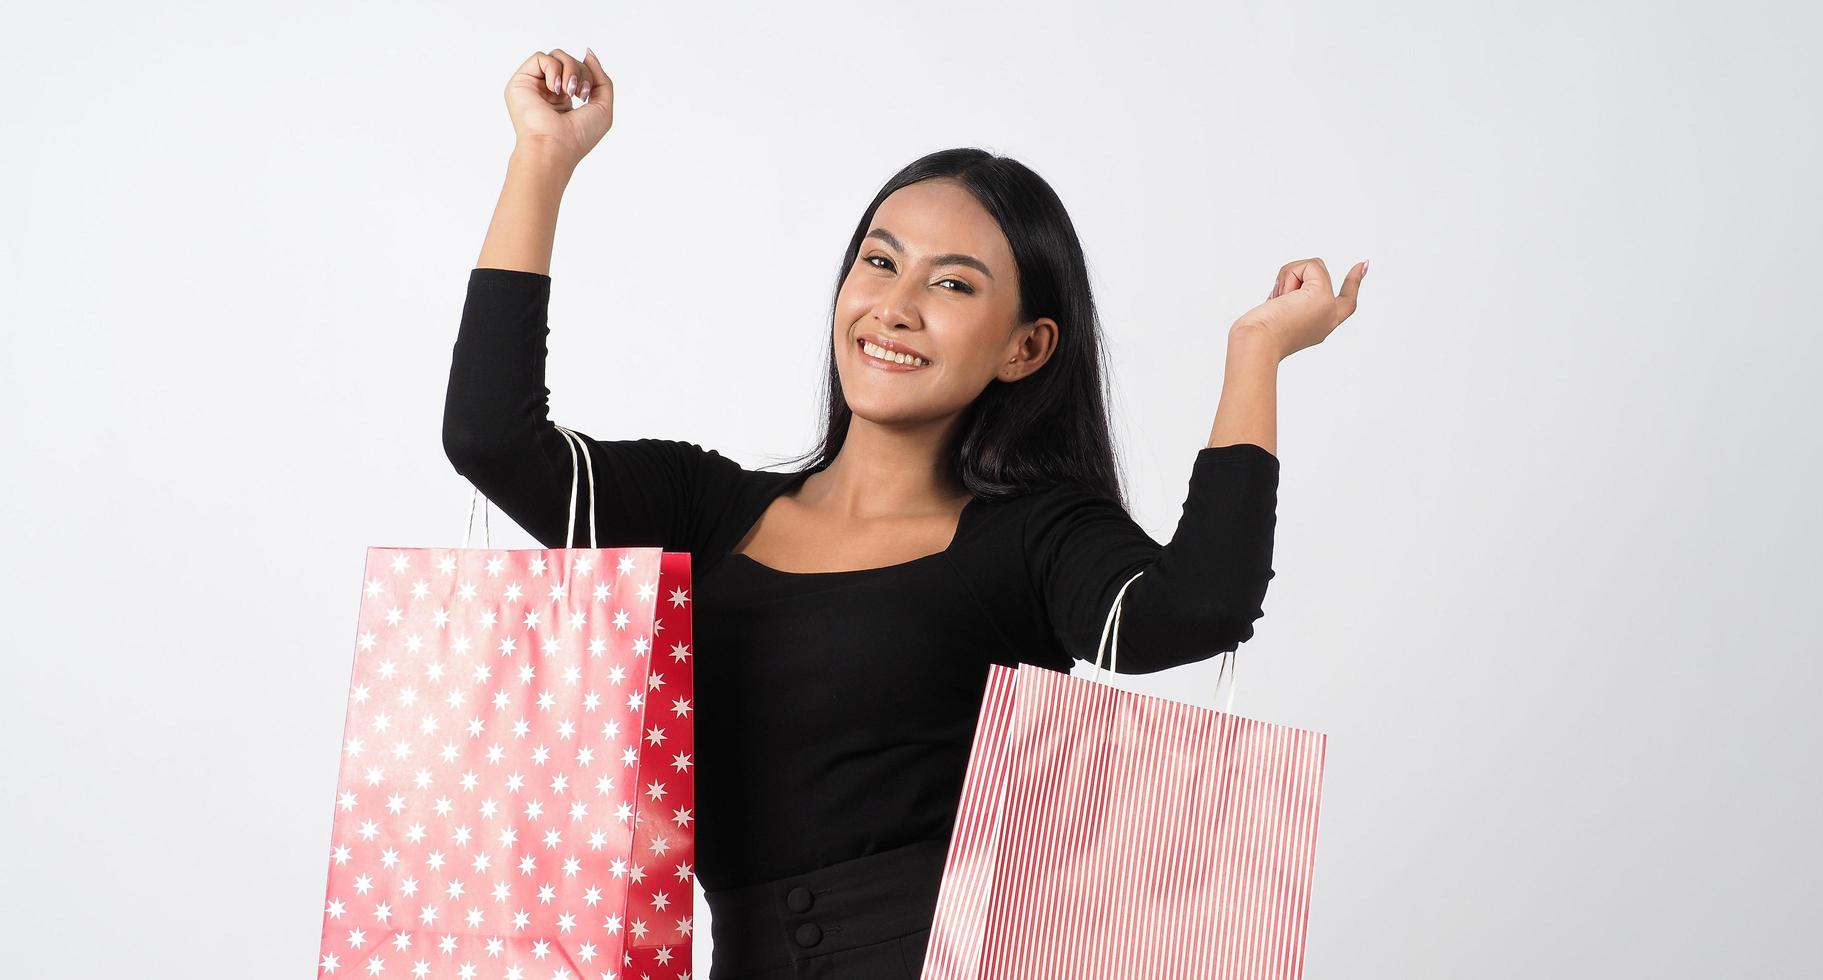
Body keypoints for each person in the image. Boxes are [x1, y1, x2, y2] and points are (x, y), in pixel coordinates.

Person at [442, 48, 1370, 979]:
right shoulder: (706, 510)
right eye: (879, 262)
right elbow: (490, 439)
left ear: (1025, 347)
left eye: (953, 284)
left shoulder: (1032, 541)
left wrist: (1255, 355)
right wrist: (543, 158)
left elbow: (1199, 606)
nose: (895, 305)